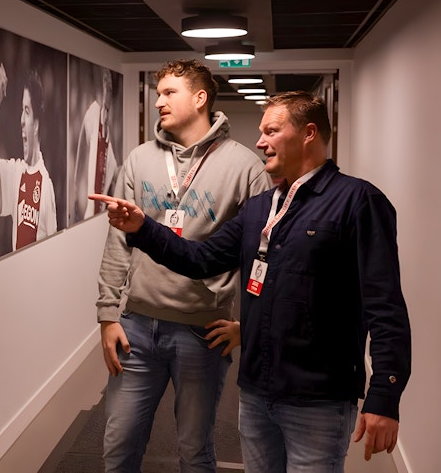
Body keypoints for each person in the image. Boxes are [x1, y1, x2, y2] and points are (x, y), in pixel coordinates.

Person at [91, 90, 412, 471]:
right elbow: (201, 259)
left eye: (271, 131)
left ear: (309, 133)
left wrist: (384, 395)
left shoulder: (357, 201)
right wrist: (143, 228)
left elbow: (384, 306)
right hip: (257, 392)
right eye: (261, 132)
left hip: (318, 399)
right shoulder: (262, 207)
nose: (260, 141)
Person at [96, 59, 273, 472]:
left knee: (194, 450)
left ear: (200, 98)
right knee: (118, 445)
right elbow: (118, 241)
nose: (158, 101)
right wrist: (107, 315)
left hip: (203, 331)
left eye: (168, 93)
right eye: (158, 93)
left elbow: (262, 256)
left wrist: (246, 324)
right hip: (136, 325)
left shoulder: (245, 167)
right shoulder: (139, 160)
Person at [0, 63, 57, 250]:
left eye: (27, 111)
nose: (21, 121)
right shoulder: (16, 172)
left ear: (37, 125)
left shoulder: (46, 186)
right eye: (21, 111)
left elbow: (54, 250)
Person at [73, 67, 119, 221]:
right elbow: (80, 158)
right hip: (88, 212)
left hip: (98, 213)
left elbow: (112, 171)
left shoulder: (108, 142)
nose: (107, 106)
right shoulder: (92, 115)